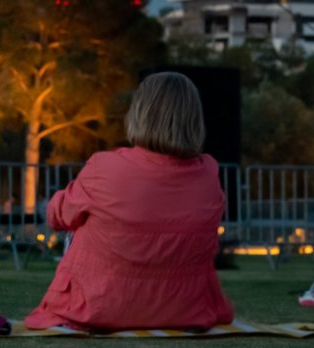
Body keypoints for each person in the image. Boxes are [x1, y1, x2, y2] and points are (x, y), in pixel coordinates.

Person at [25, 72, 234, 331]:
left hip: (98, 307)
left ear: (140, 113)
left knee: (79, 219)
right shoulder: (208, 174)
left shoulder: (105, 166)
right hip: (185, 310)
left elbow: (57, 217)